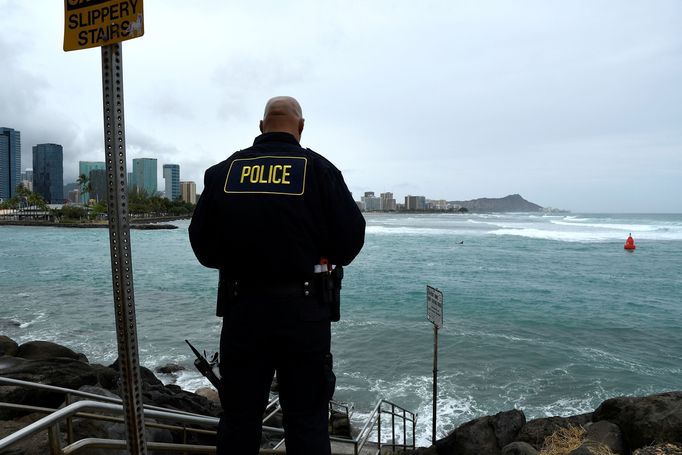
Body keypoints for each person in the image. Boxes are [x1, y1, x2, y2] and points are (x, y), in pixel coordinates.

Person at [189, 96, 365, 455]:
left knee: (239, 418)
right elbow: (349, 243)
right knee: (307, 419)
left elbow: (203, 248)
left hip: (243, 311)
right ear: (300, 127)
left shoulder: (224, 172)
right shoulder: (320, 171)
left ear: (261, 126)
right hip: (305, 314)